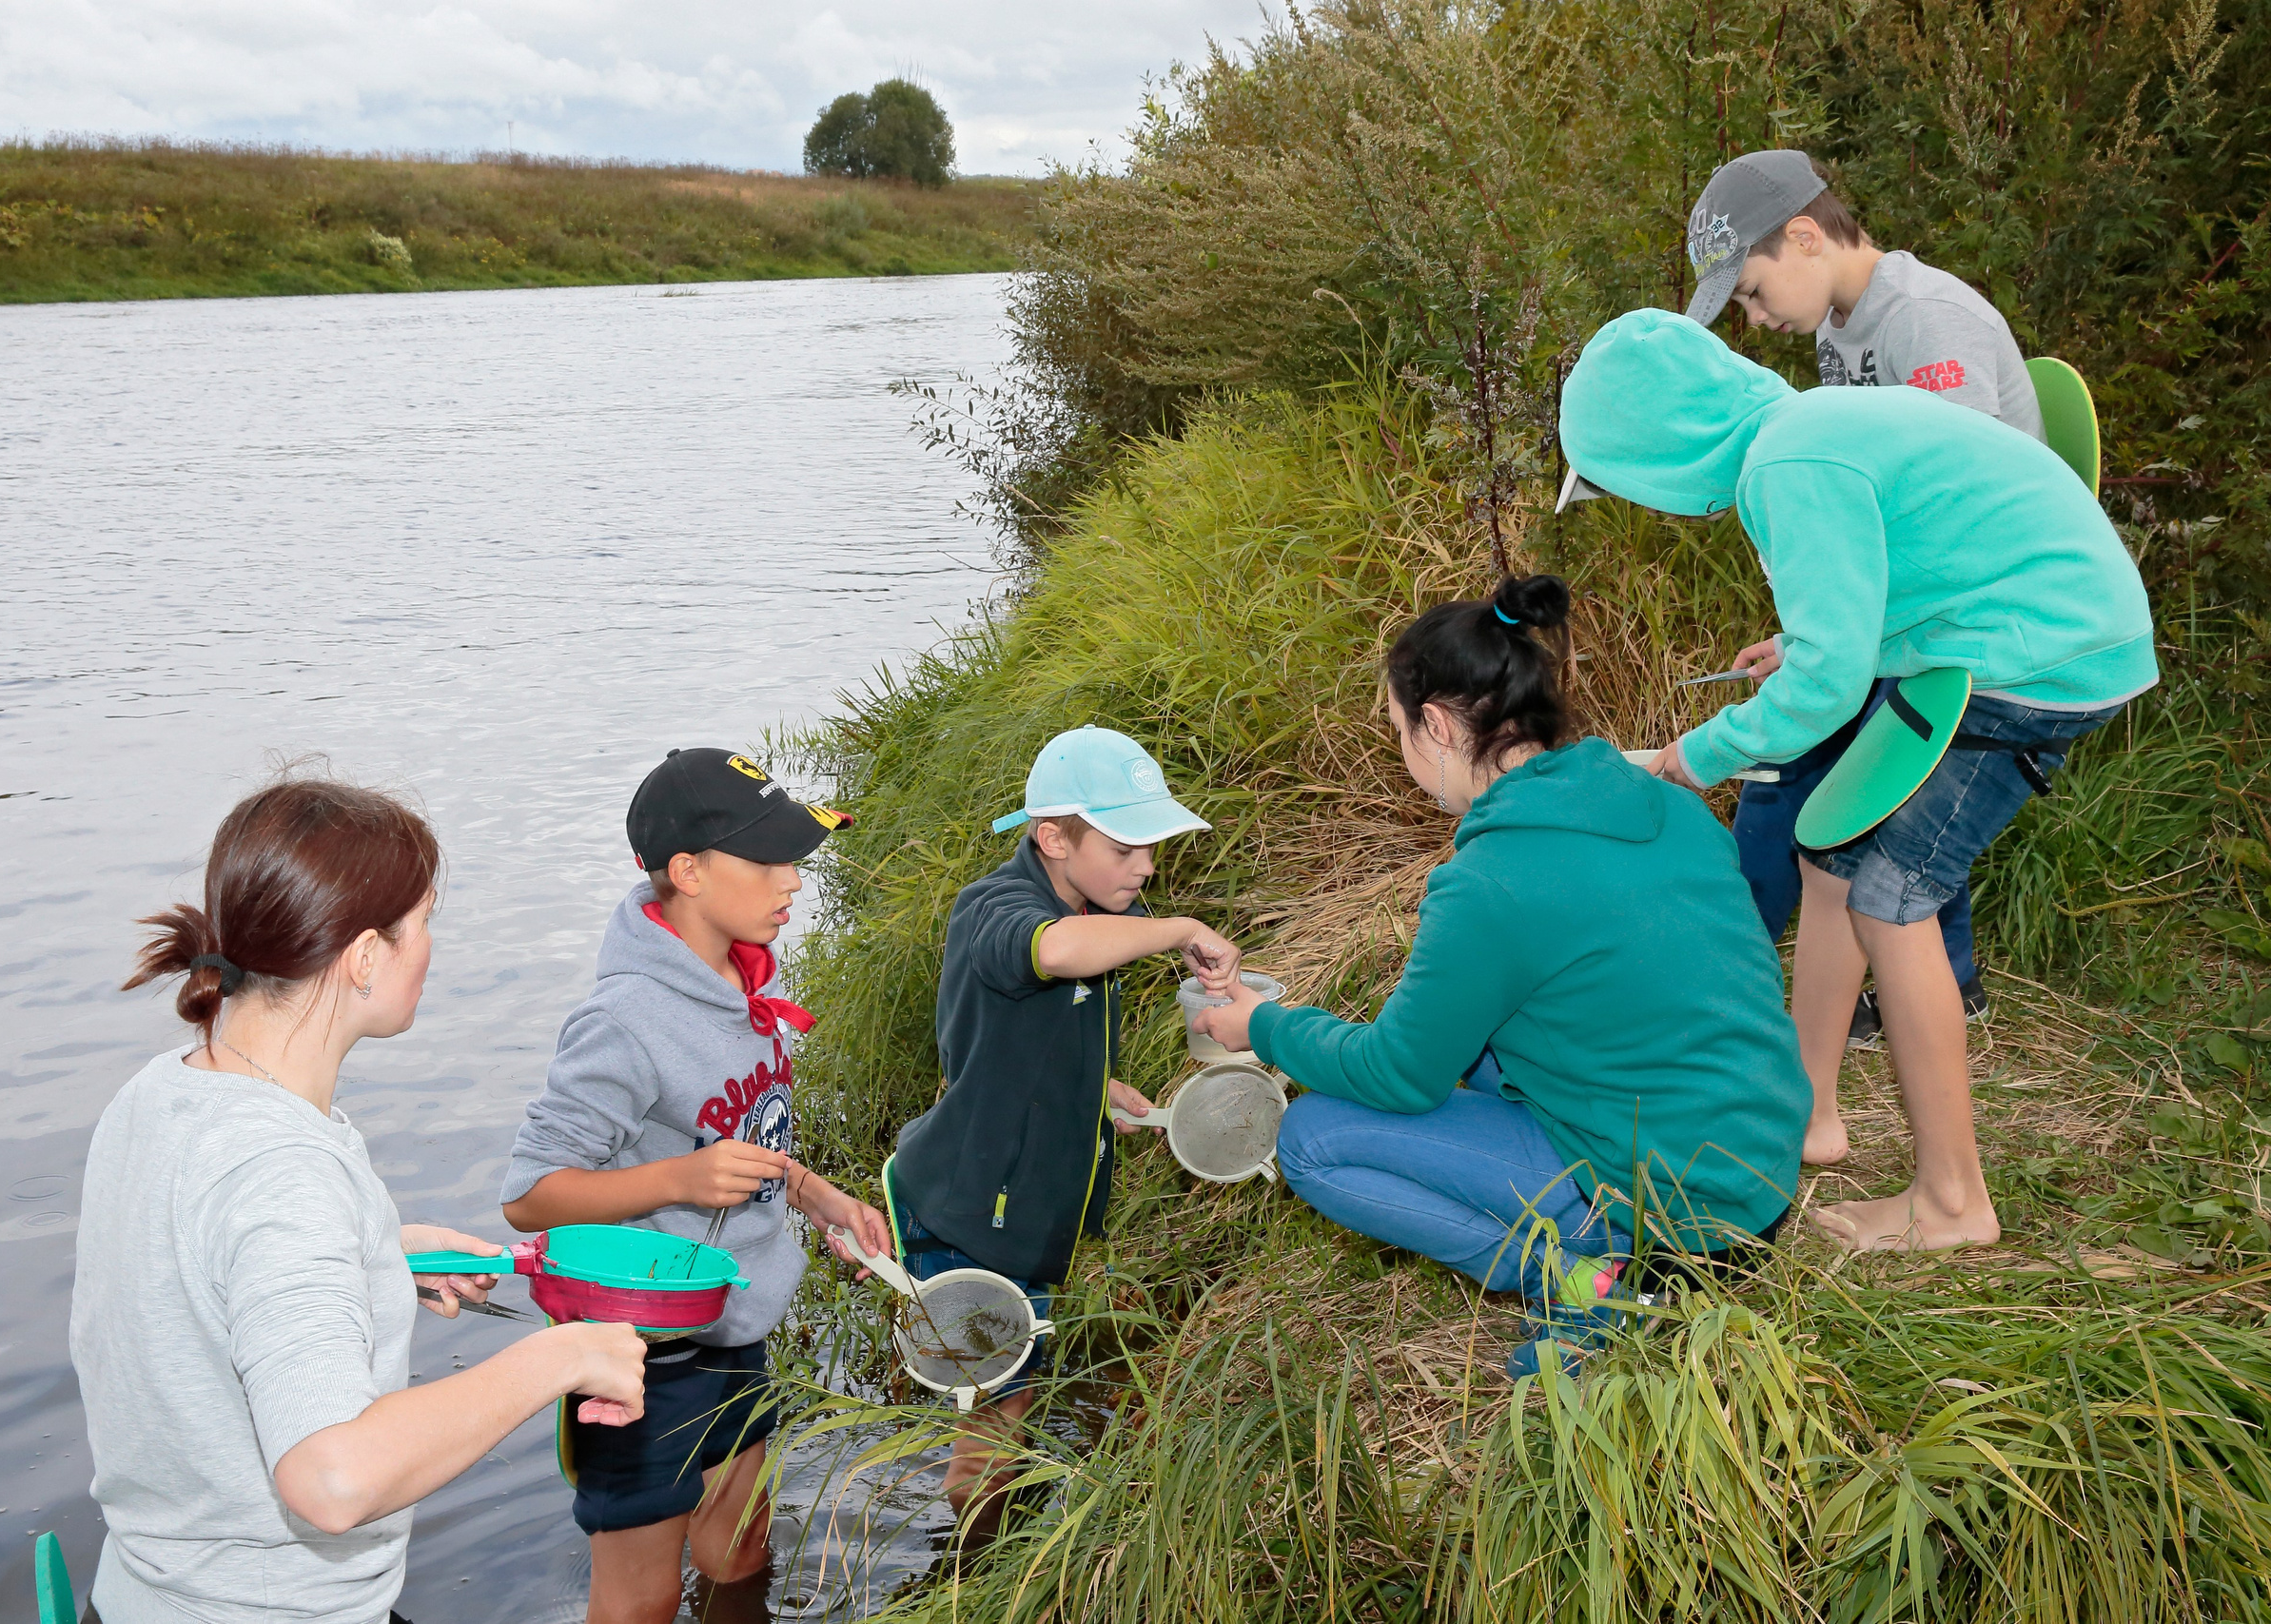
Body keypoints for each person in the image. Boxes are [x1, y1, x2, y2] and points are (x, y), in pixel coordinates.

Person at [1559, 307, 2156, 1251]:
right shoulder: (1805, 430)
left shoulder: (1787, 467)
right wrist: (1797, 647)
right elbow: (1904, 572)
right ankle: (1811, 1115)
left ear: (1658, 451)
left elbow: (1833, 688)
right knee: (1826, 858)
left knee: (1892, 900)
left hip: (2041, 658)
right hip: (2010, 632)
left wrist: (1694, 756)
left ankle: (1953, 1203)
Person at [1191, 577, 1809, 1379]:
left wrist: (1264, 1027)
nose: (1404, 754)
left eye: (1401, 732)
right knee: (1480, 1048)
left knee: (1312, 1141)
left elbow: (1399, 1074)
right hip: (1757, 1173)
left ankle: (1602, 1283)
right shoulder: (1669, 806)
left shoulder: (1493, 881)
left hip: (1681, 1223)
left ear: (1440, 727)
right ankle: (1612, 1260)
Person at [73, 775, 647, 1624]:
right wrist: (562, 1358)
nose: (430, 948)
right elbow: (331, 1478)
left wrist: (375, 1253)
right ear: (367, 955)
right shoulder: (284, 1171)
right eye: (423, 924)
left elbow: (192, 1278)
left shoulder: (161, 1095)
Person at [499, 748, 891, 1624]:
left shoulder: (743, 978)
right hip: (637, 1352)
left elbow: (747, 1136)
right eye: (769, 861)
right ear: (688, 872)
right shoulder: (624, 1019)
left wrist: (817, 1194)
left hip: (732, 1323)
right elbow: (529, 1194)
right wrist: (676, 1178)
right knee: (638, 1600)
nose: (794, 881)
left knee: (740, 1552)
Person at [1684, 147, 2052, 1045]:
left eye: (1754, 292)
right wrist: (1804, 634)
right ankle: (1920, 979)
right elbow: (1857, 516)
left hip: (1987, 613)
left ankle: (1904, 980)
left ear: (1805, 237)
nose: (1755, 318)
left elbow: (1946, 504)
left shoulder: (1926, 320)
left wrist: (1838, 643)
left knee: (1850, 755)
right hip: (1919, 608)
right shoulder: (1839, 332)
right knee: (1860, 749)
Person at [890, 725, 1239, 1521]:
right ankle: (977, 1565)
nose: (1146, 865)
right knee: (995, 1422)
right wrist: (1182, 929)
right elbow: (1055, 952)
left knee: (1015, 1393)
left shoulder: (1089, 899)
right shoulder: (999, 908)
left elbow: (1026, 1033)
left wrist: (1098, 1087)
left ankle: (990, 1534)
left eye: (1152, 845)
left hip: (1023, 1214)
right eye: (1126, 846)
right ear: (1052, 837)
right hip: (971, 1215)